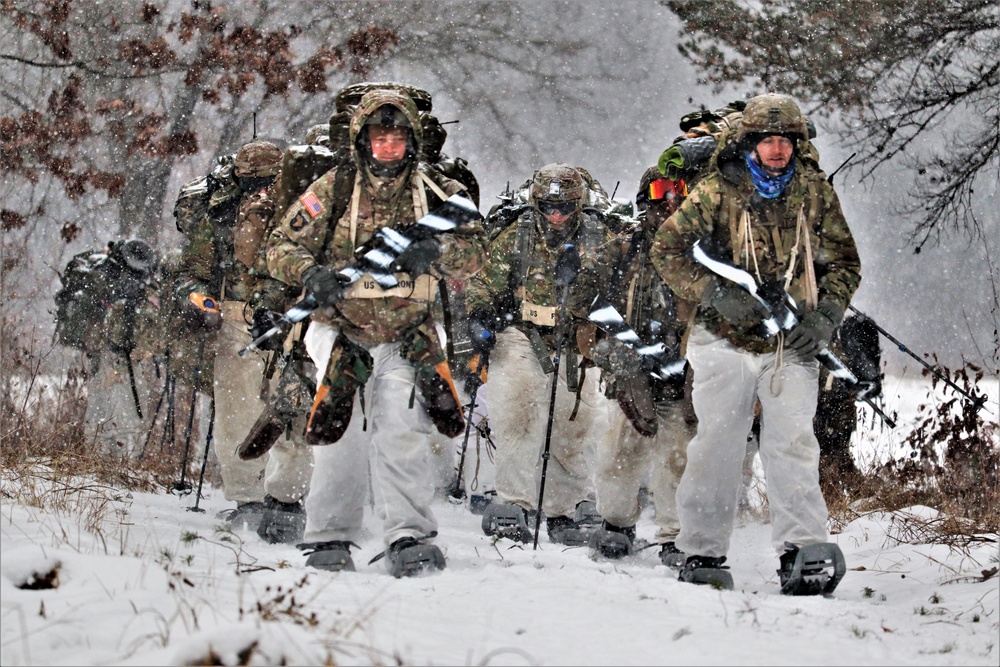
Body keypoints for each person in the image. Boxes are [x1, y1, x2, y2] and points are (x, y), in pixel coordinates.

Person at [266, 87, 486, 577]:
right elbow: (279, 244)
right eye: (380, 137)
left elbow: (478, 251)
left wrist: (439, 252)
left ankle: (408, 534)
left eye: (398, 137)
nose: (389, 147)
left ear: (412, 141)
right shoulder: (334, 188)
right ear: (362, 140)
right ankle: (330, 535)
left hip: (409, 329)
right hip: (339, 328)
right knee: (338, 430)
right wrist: (309, 273)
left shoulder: (436, 192)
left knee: (400, 429)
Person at [649, 93, 861, 594]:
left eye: (785, 140)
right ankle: (702, 550)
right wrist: (716, 294)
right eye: (767, 140)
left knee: (792, 444)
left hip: (791, 343)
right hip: (721, 340)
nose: (776, 149)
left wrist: (826, 317)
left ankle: (803, 549)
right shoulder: (718, 190)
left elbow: (845, 264)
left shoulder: (814, 193)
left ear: (797, 143)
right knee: (717, 445)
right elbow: (667, 249)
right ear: (749, 142)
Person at [466, 163, 622, 545]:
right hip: (522, 332)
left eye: (565, 207)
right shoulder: (516, 236)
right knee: (517, 414)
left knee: (576, 422)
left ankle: (564, 508)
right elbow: (483, 283)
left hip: (577, 337)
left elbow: (621, 288)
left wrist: (589, 283)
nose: (556, 216)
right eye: (548, 207)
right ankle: (514, 502)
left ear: (579, 204)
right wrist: (481, 318)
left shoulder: (601, 238)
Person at [173, 139, 313, 538]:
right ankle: (248, 498)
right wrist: (200, 301)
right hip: (235, 313)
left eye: (269, 181)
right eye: (252, 183)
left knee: (289, 407)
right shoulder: (219, 213)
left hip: (291, 315)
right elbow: (191, 272)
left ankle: (287, 496)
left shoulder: (302, 208)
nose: (260, 190)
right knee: (237, 410)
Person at [587, 167, 697, 565]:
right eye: (659, 191)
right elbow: (588, 309)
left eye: (678, 190)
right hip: (632, 368)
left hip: (682, 371)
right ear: (643, 199)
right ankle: (616, 524)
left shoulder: (700, 252)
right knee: (620, 449)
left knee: (679, 454)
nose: (669, 199)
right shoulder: (621, 251)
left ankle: (676, 535)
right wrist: (620, 354)